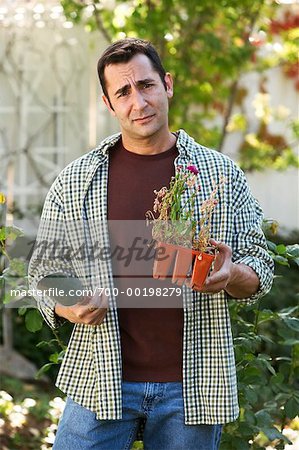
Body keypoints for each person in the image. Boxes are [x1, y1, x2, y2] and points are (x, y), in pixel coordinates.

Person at [28, 38, 274, 450]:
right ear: (108, 104)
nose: (138, 102)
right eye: (123, 92)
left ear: (168, 85)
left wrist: (231, 274)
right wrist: (68, 304)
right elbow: (43, 274)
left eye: (146, 85)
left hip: (192, 385)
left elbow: (260, 266)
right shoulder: (76, 181)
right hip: (99, 376)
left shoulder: (221, 175)